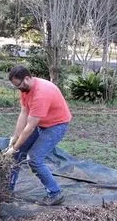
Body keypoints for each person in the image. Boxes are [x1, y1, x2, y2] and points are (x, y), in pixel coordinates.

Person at [4, 65, 72, 206]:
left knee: (34, 158)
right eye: (16, 87)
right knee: (15, 155)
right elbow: (23, 113)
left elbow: (30, 127)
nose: (19, 89)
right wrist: (15, 138)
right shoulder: (25, 89)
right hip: (42, 122)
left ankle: (55, 193)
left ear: (27, 78)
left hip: (56, 125)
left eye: (20, 85)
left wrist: (15, 147)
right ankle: (6, 191)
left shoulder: (41, 93)